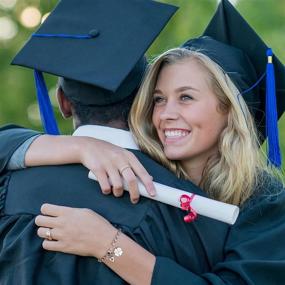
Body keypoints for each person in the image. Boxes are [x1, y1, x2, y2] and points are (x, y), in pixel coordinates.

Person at [1, 0, 285, 284]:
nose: (166, 114)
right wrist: (81, 146)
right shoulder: (141, 177)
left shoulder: (262, 201)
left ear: (230, 112)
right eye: (158, 99)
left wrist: (108, 244)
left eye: (186, 97)